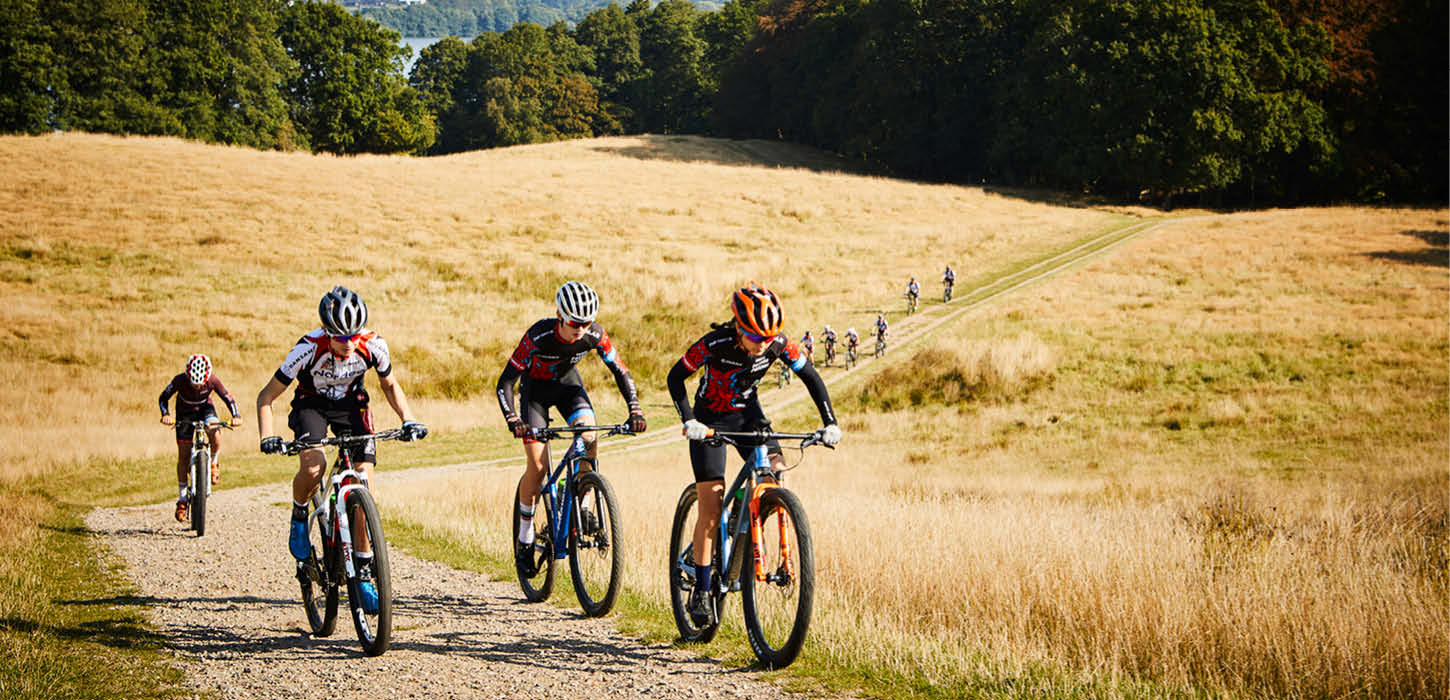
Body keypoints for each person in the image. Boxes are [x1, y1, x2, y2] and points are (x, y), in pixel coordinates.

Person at [666, 282, 842, 627]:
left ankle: (768, 537)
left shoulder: (777, 342)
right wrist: (689, 421)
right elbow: (676, 378)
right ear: (739, 327)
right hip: (710, 420)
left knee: (779, 473)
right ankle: (702, 587)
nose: (763, 345)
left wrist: (830, 422)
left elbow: (811, 377)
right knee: (711, 508)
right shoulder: (714, 344)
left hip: (750, 417)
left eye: (768, 338)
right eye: (755, 338)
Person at [256, 285, 427, 614]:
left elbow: (390, 385)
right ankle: (298, 515)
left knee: (364, 481)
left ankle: (363, 573)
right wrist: (267, 435)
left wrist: (409, 419)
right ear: (326, 330)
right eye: (339, 337)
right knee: (313, 467)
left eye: (353, 335)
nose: (347, 344)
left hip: (352, 407)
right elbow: (266, 397)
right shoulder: (307, 348)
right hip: (312, 406)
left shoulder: (373, 345)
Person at [497, 281, 646, 577]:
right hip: (535, 394)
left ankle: (585, 500)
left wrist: (635, 408)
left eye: (586, 322)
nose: (580, 329)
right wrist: (513, 418)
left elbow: (621, 371)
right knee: (538, 468)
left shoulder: (594, 334)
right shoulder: (538, 335)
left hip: (568, 387)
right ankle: (525, 538)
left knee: (588, 435)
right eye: (574, 322)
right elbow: (506, 382)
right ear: (559, 315)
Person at [159, 354, 242, 522]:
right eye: (193, 384)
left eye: (200, 384)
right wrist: (165, 414)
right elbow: (163, 398)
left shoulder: (213, 381)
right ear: (188, 377)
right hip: (184, 413)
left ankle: (213, 462)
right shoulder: (179, 380)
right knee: (183, 455)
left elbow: (228, 398)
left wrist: (236, 415)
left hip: (206, 409)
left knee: (215, 431)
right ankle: (182, 499)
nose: (197, 387)